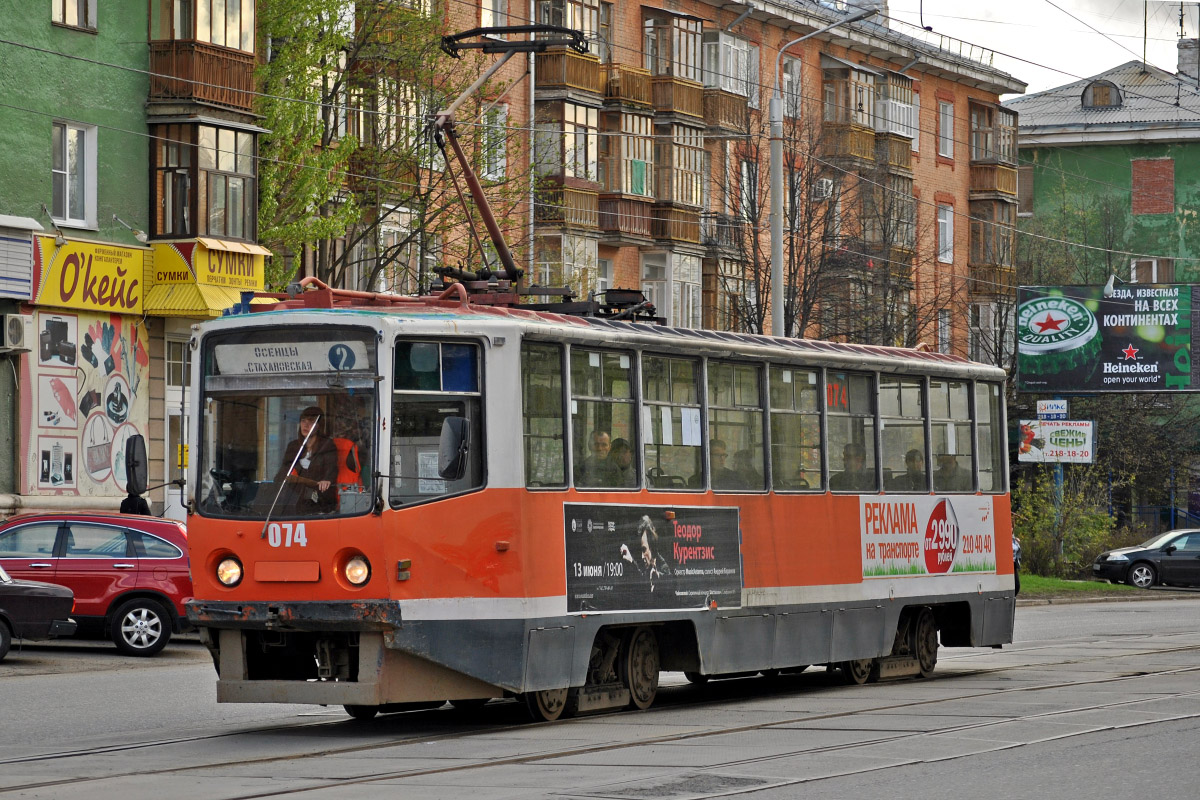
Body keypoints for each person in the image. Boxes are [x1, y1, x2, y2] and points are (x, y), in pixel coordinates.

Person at [275, 406, 339, 514]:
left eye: (311, 422)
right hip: (293, 501)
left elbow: (331, 469)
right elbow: (283, 472)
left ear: (319, 426)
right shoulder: (293, 446)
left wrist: (326, 480)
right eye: (303, 421)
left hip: (318, 502)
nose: (306, 425)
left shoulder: (327, 445)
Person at [620, 515, 674, 602]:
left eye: (644, 550)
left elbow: (669, 581)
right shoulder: (647, 569)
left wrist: (658, 576)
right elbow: (642, 582)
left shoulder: (663, 567)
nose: (642, 556)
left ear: (652, 547)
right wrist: (630, 560)